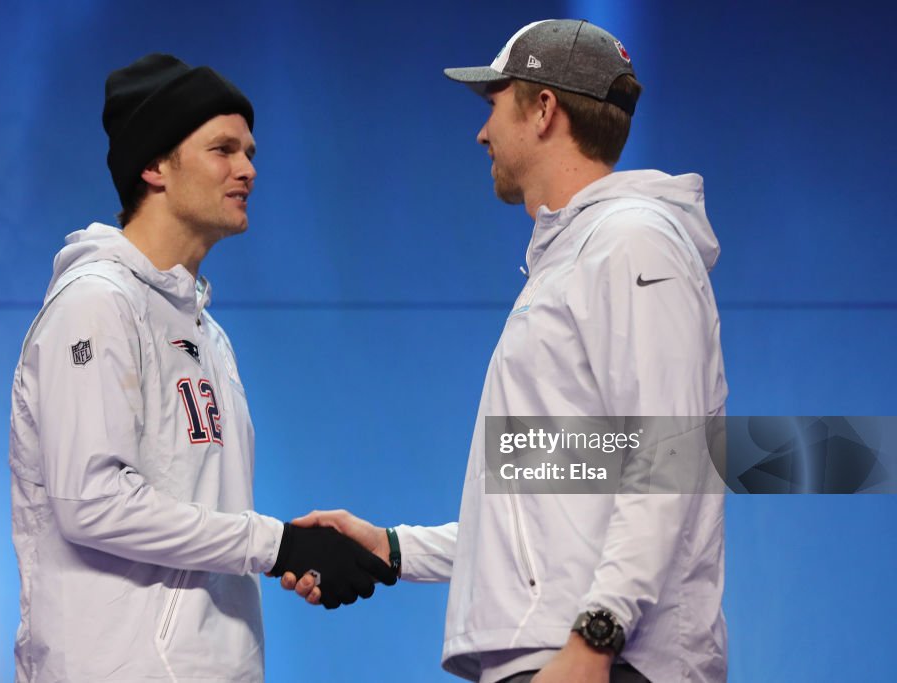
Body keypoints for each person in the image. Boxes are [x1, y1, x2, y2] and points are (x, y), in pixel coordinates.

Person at [282, 19, 728, 683]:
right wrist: (395, 548)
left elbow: (669, 456)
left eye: (493, 104)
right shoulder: (579, 257)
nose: (482, 131)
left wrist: (593, 639)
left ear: (543, 108)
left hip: (608, 662)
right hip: (566, 656)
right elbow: (550, 515)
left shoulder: (632, 243)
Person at [8, 53, 394, 683]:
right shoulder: (95, 303)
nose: (248, 170)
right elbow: (92, 502)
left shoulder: (206, 332)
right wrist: (278, 546)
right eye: (223, 149)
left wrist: (297, 550)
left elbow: (203, 513)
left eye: (250, 152)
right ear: (154, 166)